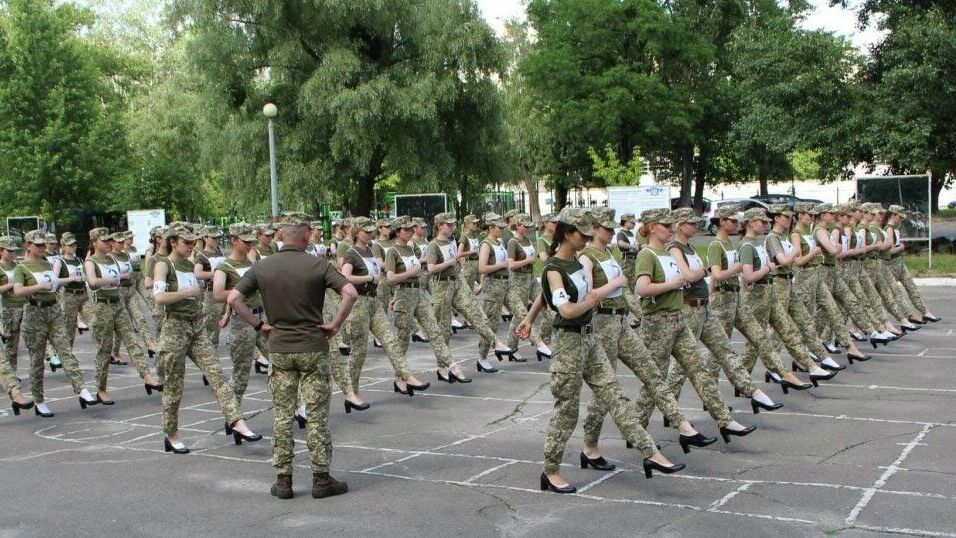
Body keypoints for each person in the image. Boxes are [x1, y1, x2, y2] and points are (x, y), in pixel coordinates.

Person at [517, 207, 685, 494]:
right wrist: (595, 298)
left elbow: (544, 295)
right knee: (567, 411)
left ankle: (650, 452)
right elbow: (567, 309)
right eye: (582, 234)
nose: (588, 238)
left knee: (615, 395)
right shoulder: (555, 268)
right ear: (568, 234)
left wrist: (529, 318)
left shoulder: (573, 263)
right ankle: (551, 470)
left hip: (589, 339)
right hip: (568, 344)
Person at [227, 213, 358, 500]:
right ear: (306, 237)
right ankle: (321, 478)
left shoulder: (262, 267)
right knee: (316, 414)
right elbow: (350, 292)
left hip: (280, 347)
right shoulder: (318, 264)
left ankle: (283, 480)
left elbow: (233, 298)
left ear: (280, 237)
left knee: (283, 415)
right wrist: (335, 324)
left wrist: (259, 325)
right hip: (313, 346)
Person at [578, 207, 716, 462]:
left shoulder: (608, 253)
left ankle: (683, 426)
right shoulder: (587, 257)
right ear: (594, 229)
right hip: (601, 325)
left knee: (653, 374)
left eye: (611, 228)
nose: (610, 233)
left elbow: (627, 292)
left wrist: (634, 312)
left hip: (620, 322)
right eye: (606, 228)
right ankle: (590, 446)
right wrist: (615, 285)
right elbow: (589, 296)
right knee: (605, 390)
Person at [631, 209, 756, 442]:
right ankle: (636, 428)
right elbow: (642, 288)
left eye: (671, 225)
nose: (669, 229)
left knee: (699, 370)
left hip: (677, 318)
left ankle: (724, 419)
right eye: (665, 225)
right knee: (655, 379)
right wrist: (672, 284)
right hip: (657, 323)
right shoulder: (647, 254)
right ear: (651, 227)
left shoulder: (666, 253)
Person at [153, 225, 261, 454]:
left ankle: (237, 421)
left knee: (217, 375)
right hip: (174, 327)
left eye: (193, 242)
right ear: (173, 242)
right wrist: (187, 293)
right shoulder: (164, 264)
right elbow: (159, 297)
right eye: (187, 242)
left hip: (196, 325)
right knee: (174, 385)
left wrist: (222, 311)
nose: (192, 246)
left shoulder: (189, 264)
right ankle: (171, 434)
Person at [662, 208, 782, 414]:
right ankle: (670, 408)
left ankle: (750, 391)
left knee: (725, 350)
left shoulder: (689, 247)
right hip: (689, 308)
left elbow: (701, 279)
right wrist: (707, 271)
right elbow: (690, 276)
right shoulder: (675, 248)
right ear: (680, 225)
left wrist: (709, 293)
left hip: (704, 306)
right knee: (683, 365)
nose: (696, 226)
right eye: (691, 223)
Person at [340, 217, 428, 400]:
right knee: (359, 351)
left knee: (390, 341)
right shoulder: (352, 253)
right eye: (366, 231)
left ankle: (406, 375)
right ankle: (352, 391)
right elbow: (345, 278)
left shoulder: (371, 250)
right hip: (359, 304)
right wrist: (368, 279)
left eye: (372, 231)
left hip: (374, 302)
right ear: (357, 233)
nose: (370, 234)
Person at [13, 230, 98, 417]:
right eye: (38, 245)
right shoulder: (22, 268)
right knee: (37, 360)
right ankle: (39, 400)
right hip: (35, 312)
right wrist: (38, 287)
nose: (43, 248)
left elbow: (54, 282)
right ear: (28, 246)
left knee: (65, 350)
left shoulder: (46, 263)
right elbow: (18, 291)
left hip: (53, 310)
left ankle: (82, 389)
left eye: (44, 245)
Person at [427, 212, 509, 382]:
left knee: (474, 314)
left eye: (452, 225)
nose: (451, 228)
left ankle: (496, 343)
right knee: (443, 330)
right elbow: (431, 268)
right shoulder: (433, 245)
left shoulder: (450, 242)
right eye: (448, 225)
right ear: (440, 225)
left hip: (456, 281)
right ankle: (442, 367)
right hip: (441, 286)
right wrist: (449, 263)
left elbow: (456, 263)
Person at [86, 228, 163, 402]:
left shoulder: (113, 258)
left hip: (118, 303)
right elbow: (92, 282)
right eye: (104, 241)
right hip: (102, 307)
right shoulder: (91, 261)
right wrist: (114, 279)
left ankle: (147, 376)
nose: (108, 243)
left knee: (132, 341)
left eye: (109, 240)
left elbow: (130, 272)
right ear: (94, 242)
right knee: (104, 350)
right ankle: (101, 388)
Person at [504, 214, 551, 360]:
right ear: (518, 226)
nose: (528, 229)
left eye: (529, 227)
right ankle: (512, 348)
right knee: (521, 315)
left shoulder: (527, 240)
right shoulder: (513, 242)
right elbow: (511, 265)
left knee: (548, 307)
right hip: (518, 281)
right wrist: (527, 260)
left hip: (531, 279)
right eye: (525, 226)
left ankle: (545, 340)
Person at [475, 213, 518, 371]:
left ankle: (516, 346)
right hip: (493, 286)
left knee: (521, 312)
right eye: (499, 228)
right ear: (491, 228)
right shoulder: (486, 244)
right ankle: (482, 358)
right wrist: (501, 265)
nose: (502, 230)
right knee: (491, 324)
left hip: (506, 284)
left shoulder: (499, 242)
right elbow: (482, 268)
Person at [884, 205, 940, 322]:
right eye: (899, 216)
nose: (901, 219)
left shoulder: (895, 229)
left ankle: (925, 311)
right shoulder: (888, 229)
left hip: (900, 263)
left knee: (911, 288)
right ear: (893, 215)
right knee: (896, 293)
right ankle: (909, 315)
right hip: (892, 264)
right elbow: (887, 252)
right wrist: (901, 248)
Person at [193, 225, 227, 349]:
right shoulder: (201, 255)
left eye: (218, 238)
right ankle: (209, 349)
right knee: (211, 325)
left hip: (224, 290)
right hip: (211, 293)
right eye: (213, 238)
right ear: (205, 238)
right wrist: (216, 273)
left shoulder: (219, 251)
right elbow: (198, 274)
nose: (216, 240)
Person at [1, 236, 26, 374]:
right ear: (1, 251)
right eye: (9, 251)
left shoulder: (18, 266)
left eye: (13, 251)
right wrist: (12, 284)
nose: (12, 253)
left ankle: (50, 356)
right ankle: (12, 373)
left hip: (24, 305)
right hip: (9, 308)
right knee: (12, 344)